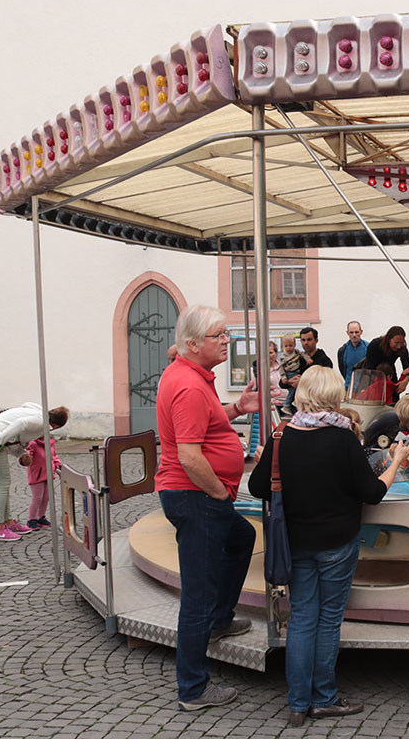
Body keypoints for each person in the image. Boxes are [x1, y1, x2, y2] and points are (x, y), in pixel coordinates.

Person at [248, 367, 409, 727]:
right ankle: (323, 698)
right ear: (334, 397)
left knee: (303, 617)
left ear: (303, 393)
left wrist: (266, 461)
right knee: (329, 619)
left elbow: (259, 488)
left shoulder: (280, 436)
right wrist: (396, 461)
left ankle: (296, 703)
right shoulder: (342, 439)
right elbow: (372, 493)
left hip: (297, 541)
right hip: (337, 542)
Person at [155, 304, 262, 712]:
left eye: (226, 333)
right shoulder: (189, 386)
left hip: (197, 495)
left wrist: (238, 408)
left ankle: (219, 620)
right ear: (194, 343)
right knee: (196, 594)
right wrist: (219, 492)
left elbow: (207, 423)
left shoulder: (193, 377)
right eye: (219, 335)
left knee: (243, 537)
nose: (227, 340)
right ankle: (194, 689)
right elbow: (189, 455)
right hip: (195, 496)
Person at [0, 404, 69, 541]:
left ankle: (8, 522)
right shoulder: (41, 422)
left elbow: (18, 433)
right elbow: (21, 423)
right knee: (1, 485)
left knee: (3, 485)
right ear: (55, 427)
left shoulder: (39, 411)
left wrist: (21, 453)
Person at [20, 428, 63, 529]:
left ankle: (41, 517)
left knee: (46, 497)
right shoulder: (32, 444)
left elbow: (54, 456)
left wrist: (58, 466)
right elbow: (27, 458)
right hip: (37, 475)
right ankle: (32, 519)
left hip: (48, 474)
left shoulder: (50, 443)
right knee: (37, 498)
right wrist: (25, 459)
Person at [362, 326, 409, 395]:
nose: (399, 346)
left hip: (390, 375)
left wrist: (405, 381)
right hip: (373, 376)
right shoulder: (375, 344)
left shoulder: (402, 348)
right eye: (396, 343)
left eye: (401, 343)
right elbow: (370, 367)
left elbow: (407, 368)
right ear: (389, 339)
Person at [336, 321, 368, 386]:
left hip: (365, 387)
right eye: (351, 332)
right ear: (347, 333)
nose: (354, 335)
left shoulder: (368, 348)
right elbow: (342, 370)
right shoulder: (342, 351)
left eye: (356, 332)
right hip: (349, 387)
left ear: (361, 332)